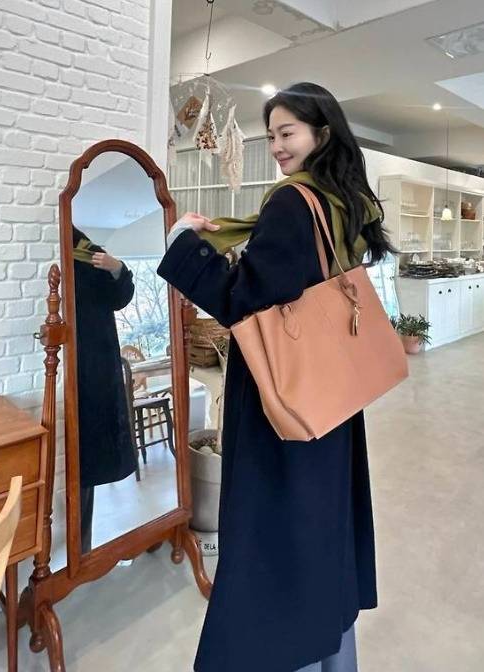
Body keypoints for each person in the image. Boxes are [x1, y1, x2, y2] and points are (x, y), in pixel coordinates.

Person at [157, 82, 396, 672]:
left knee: (277, 536)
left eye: (287, 133)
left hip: (282, 398)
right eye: (271, 136)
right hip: (331, 395)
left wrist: (185, 247)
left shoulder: (292, 203)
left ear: (322, 133)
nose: (278, 146)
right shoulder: (345, 201)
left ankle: (290, 652)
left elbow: (246, 301)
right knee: (321, 528)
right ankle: (334, 655)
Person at [72, 226, 137, 554]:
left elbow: (119, 298)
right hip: (56, 365)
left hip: (92, 369)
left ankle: (79, 550)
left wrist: (118, 268)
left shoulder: (84, 250)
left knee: (86, 459)